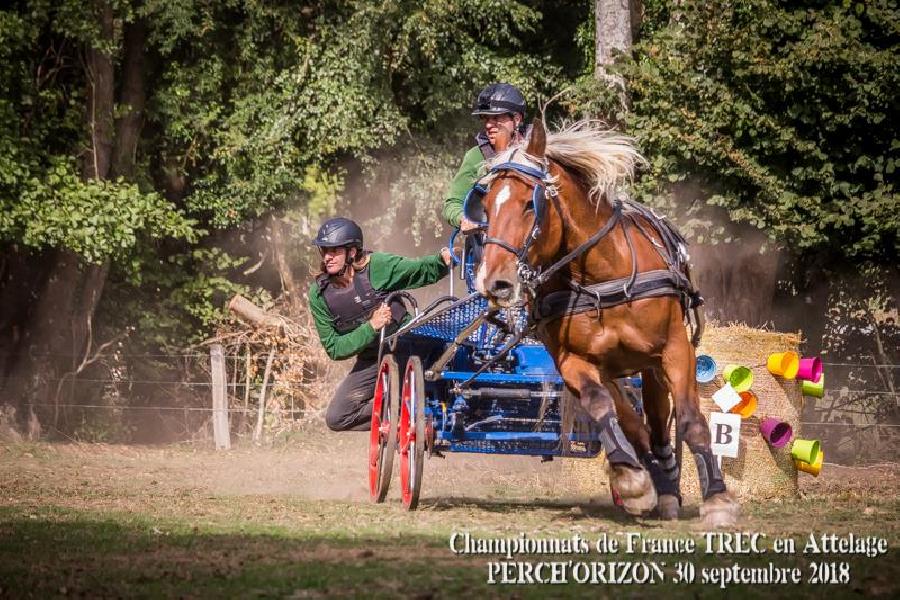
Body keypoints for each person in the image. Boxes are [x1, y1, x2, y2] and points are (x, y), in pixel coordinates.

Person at [308, 217, 453, 431]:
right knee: (337, 418)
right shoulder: (319, 295)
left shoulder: (377, 266)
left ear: (352, 252)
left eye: (334, 251)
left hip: (406, 344)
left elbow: (419, 270)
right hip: (372, 358)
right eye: (324, 251)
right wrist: (371, 326)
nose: (327, 257)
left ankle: (425, 407)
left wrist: (441, 261)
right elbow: (335, 348)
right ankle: (393, 414)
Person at [442, 82, 529, 233]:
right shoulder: (475, 157)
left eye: (496, 118)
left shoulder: (538, 153)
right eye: (486, 119)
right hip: (488, 241)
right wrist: (463, 218)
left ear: (517, 119)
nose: (488, 125)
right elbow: (452, 203)